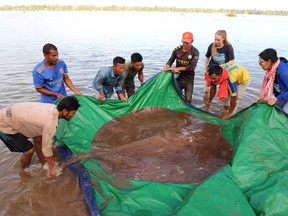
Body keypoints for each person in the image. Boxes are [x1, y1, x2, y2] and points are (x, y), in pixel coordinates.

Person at [0, 96, 80, 177]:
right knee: (29, 150)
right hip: (3, 125)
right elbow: (46, 149)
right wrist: (53, 167)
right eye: (73, 113)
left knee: (38, 137)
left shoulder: (52, 107)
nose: (73, 115)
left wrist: (46, 161)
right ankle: (24, 172)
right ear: (65, 111)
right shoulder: (50, 123)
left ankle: (43, 161)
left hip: (8, 114)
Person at [161, 31, 199, 103]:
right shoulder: (177, 50)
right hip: (178, 78)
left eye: (187, 42)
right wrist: (165, 68)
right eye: (184, 42)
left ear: (192, 41)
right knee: (176, 97)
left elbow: (192, 66)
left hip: (189, 79)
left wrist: (178, 68)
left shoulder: (195, 52)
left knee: (188, 99)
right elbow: (171, 60)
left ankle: (187, 113)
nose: (185, 44)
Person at [203, 30, 235, 103]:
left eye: (218, 40)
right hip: (211, 70)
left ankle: (224, 103)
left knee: (225, 88)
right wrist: (205, 68)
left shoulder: (228, 47)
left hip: (222, 71)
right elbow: (207, 57)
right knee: (210, 87)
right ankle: (208, 101)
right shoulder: (212, 45)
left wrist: (221, 66)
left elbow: (232, 61)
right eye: (215, 39)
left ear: (223, 38)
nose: (216, 41)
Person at [257, 48, 288, 113]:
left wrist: (276, 99)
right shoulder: (272, 71)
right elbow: (272, 86)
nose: (259, 64)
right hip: (283, 93)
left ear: (269, 61)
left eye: (261, 62)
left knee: (284, 116)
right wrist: (263, 97)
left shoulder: (283, 72)